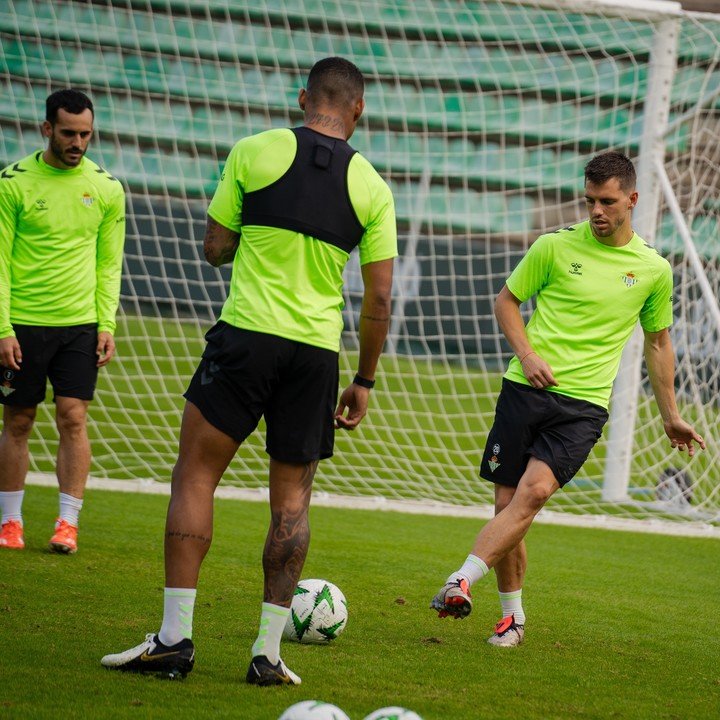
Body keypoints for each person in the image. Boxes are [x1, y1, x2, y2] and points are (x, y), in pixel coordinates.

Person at [101, 57, 397, 684]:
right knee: (291, 502)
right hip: (315, 353)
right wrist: (364, 380)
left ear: (302, 99)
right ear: (358, 110)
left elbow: (215, 247)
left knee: (196, 475)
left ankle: (174, 642)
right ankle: (266, 656)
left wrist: (257, 239)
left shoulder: (253, 151)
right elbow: (377, 301)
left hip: (245, 339)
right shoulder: (373, 186)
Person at [431, 151, 705, 647]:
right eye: (590, 201)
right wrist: (528, 354)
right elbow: (506, 302)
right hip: (524, 390)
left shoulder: (652, 270)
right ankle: (512, 619)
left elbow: (659, 343)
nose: (597, 211)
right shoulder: (553, 248)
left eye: (607, 201)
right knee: (506, 507)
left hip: (583, 407)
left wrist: (672, 417)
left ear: (632, 200)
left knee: (532, 495)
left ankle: (461, 579)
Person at [0, 89, 126, 554]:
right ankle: (10, 522)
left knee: (73, 418)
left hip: (80, 326)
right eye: (69, 133)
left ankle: (67, 524)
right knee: (18, 420)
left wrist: (106, 323)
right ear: (47, 129)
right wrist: (2, 329)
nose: (78, 142)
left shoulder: (108, 188)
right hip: (23, 324)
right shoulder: (12, 183)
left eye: (86, 134)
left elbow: (108, 264)